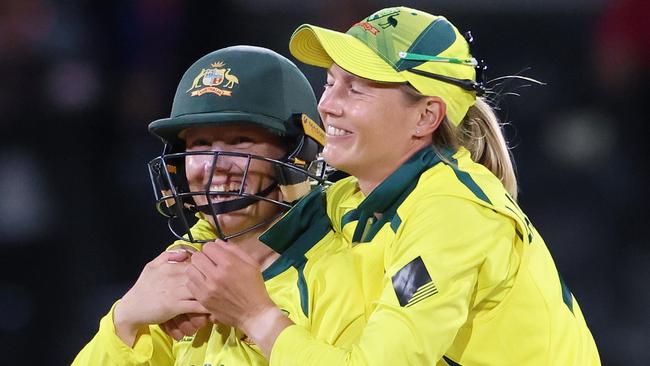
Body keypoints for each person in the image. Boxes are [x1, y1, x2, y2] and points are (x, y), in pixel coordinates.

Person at [189, 7, 602, 365]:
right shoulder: (355, 196)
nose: (327, 104)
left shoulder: (453, 216)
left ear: (425, 117)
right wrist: (171, 283)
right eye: (331, 82)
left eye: (357, 88)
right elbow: (257, 229)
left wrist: (256, 315)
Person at [72, 45, 367, 365]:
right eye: (199, 144)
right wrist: (124, 322)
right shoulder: (177, 269)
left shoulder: (347, 264)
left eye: (239, 141)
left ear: (299, 153)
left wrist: (256, 319)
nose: (213, 166)